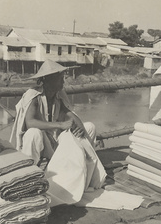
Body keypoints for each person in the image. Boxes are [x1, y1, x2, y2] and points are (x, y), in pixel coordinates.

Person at [10, 59, 106, 207]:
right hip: (41, 144)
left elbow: (70, 114)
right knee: (33, 133)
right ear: (48, 79)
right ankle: (28, 179)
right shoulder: (33, 95)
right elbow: (30, 122)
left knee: (90, 127)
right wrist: (60, 124)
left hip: (55, 142)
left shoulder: (59, 95)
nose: (64, 81)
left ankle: (82, 173)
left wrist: (79, 126)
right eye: (60, 78)